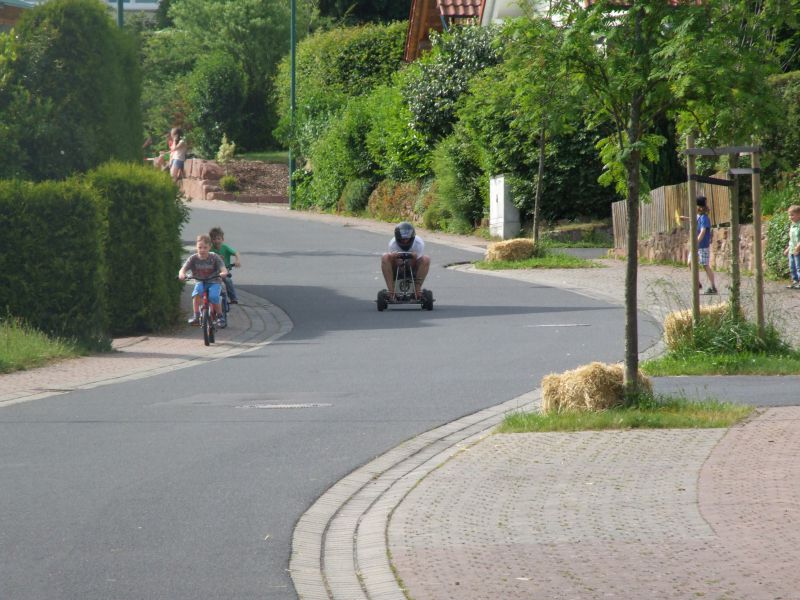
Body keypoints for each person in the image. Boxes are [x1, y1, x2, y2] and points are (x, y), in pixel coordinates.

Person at [178, 234, 229, 326]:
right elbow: (183, 269)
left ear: (209, 247)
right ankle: (196, 315)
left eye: (205, 247)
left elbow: (223, 268)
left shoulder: (214, 257)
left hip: (214, 281)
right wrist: (181, 274)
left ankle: (220, 316)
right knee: (196, 295)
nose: (202, 250)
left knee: (214, 297)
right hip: (200, 281)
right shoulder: (193, 258)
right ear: (196, 247)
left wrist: (223, 272)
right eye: (200, 247)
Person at [381, 221, 430, 299]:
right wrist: (395, 258)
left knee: (426, 259)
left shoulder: (419, 243)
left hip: (413, 267)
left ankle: (417, 291)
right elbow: (392, 261)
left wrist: (413, 258)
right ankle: (391, 292)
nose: (405, 241)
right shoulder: (392, 243)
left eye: (407, 239)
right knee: (385, 257)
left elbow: (418, 262)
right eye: (402, 239)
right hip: (397, 267)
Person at [209, 226, 241, 304]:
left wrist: (237, 260)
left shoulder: (225, 248)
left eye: (218, 239)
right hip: (213, 270)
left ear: (222, 239)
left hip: (224, 270)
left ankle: (233, 298)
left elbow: (236, 253)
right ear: (211, 240)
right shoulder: (210, 249)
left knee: (227, 280)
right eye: (214, 239)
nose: (216, 241)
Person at [784, 205, 800, 289]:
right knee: (792, 267)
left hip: (798, 251)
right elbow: (792, 240)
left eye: (792, 215)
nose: (790, 217)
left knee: (798, 267)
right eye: (789, 215)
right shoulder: (792, 225)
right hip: (792, 250)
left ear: (799, 215)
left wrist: (797, 248)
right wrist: (788, 249)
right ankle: (795, 281)